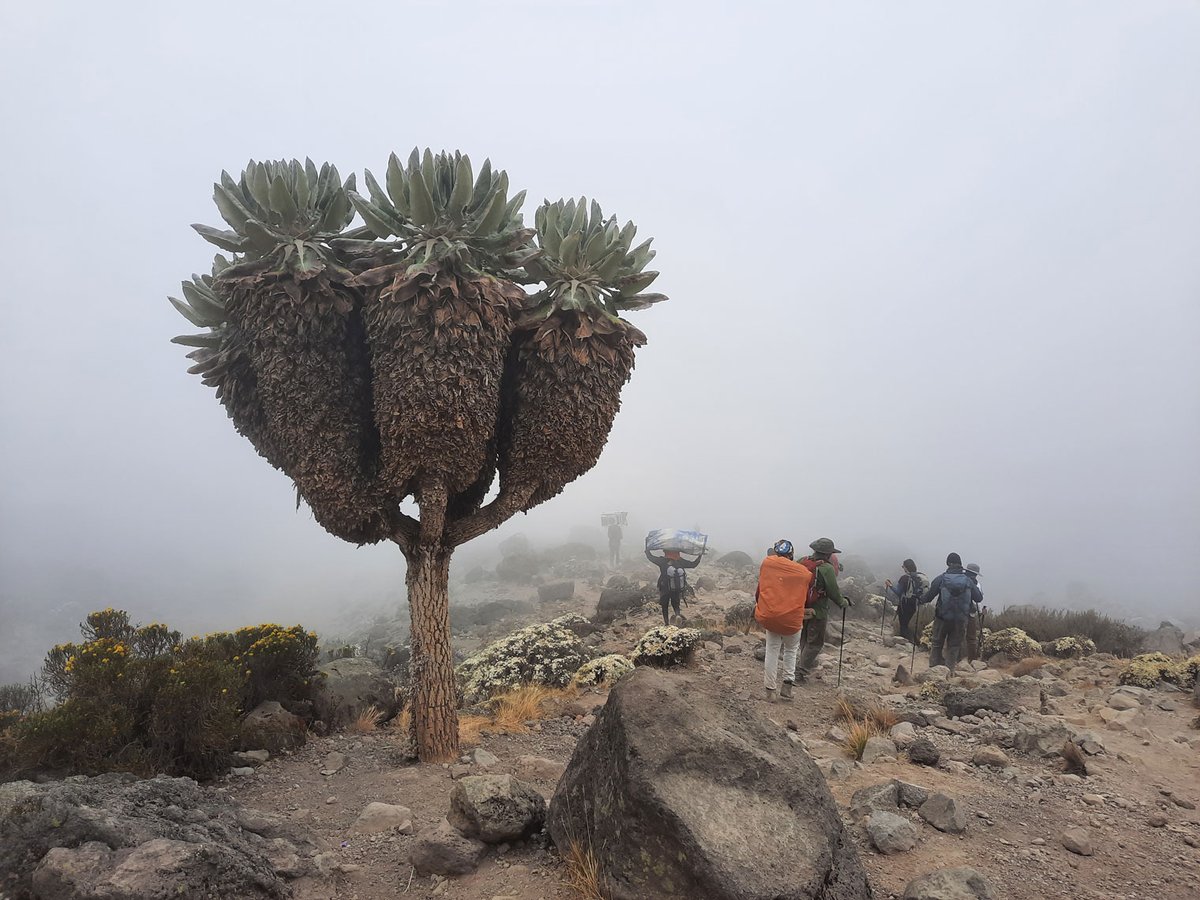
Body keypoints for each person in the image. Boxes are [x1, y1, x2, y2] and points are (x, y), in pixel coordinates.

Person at [754, 540, 814, 702]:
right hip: (792, 619)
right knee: (791, 650)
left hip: (772, 617)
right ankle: (787, 687)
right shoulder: (802, 573)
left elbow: (759, 591)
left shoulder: (768, 564)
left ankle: (770, 691)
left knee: (772, 650)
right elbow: (807, 597)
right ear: (791, 555)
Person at [794, 538, 851, 683]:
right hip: (818, 610)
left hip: (800, 606)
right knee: (815, 643)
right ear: (828, 554)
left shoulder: (802, 561)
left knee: (804, 638)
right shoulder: (827, 568)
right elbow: (833, 591)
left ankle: (800, 667)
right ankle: (800, 672)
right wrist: (843, 602)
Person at [919, 553, 982, 675]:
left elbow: (928, 597)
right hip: (961, 620)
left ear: (948, 563)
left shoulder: (941, 578)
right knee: (953, 646)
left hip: (942, 618)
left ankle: (933, 672)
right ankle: (949, 673)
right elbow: (978, 598)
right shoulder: (968, 580)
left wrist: (919, 598)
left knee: (937, 643)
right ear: (960, 564)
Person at [645, 542, 704, 626]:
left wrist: (647, 548)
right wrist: (700, 555)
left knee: (664, 606)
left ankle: (666, 623)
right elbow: (693, 564)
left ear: (666, 552)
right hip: (676, 588)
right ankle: (677, 618)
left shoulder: (662, 561)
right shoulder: (680, 561)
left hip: (664, 587)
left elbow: (650, 557)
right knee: (676, 604)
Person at [885, 559, 927, 642]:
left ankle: (906, 642)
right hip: (917, 604)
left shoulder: (904, 578)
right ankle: (915, 642)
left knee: (904, 625)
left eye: (903, 566)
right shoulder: (919, 577)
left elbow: (898, 592)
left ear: (906, 567)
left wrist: (890, 586)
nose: (902, 568)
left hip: (905, 604)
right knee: (912, 624)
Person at [964, 562, 984, 662]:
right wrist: (980, 612)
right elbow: (978, 600)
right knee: (971, 638)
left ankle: (954, 659)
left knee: (955, 636)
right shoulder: (976, 584)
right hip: (970, 614)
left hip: (955, 612)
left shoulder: (959, 579)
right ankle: (972, 660)